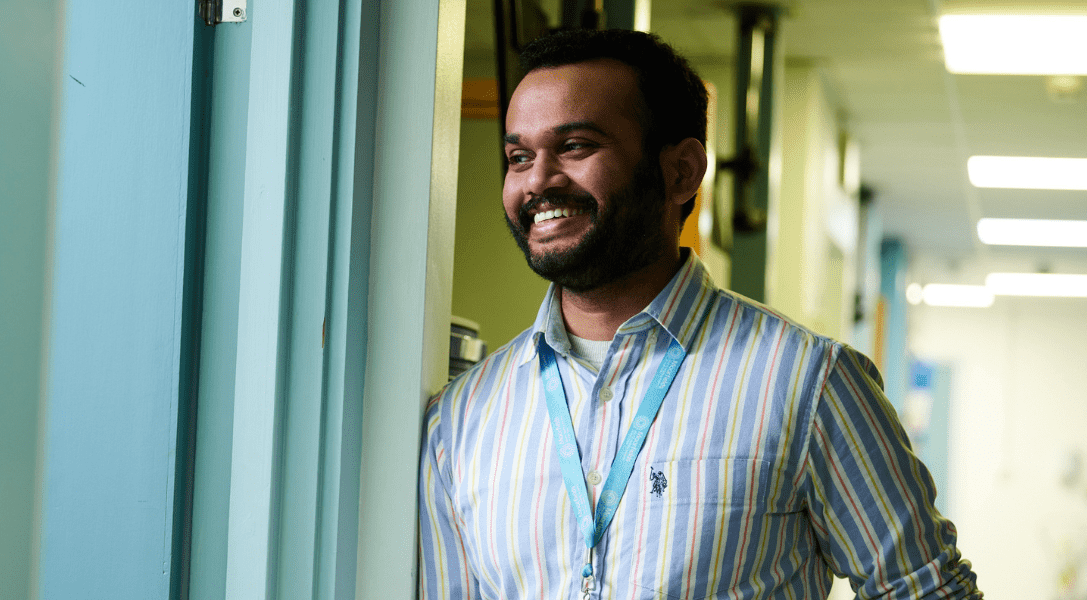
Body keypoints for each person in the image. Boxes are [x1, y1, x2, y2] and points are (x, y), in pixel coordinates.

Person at [419, 28, 981, 599]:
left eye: (576, 147)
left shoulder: (807, 382)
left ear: (681, 171)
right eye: (519, 157)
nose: (538, 180)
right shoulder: (461, 419)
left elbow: (929, 590)